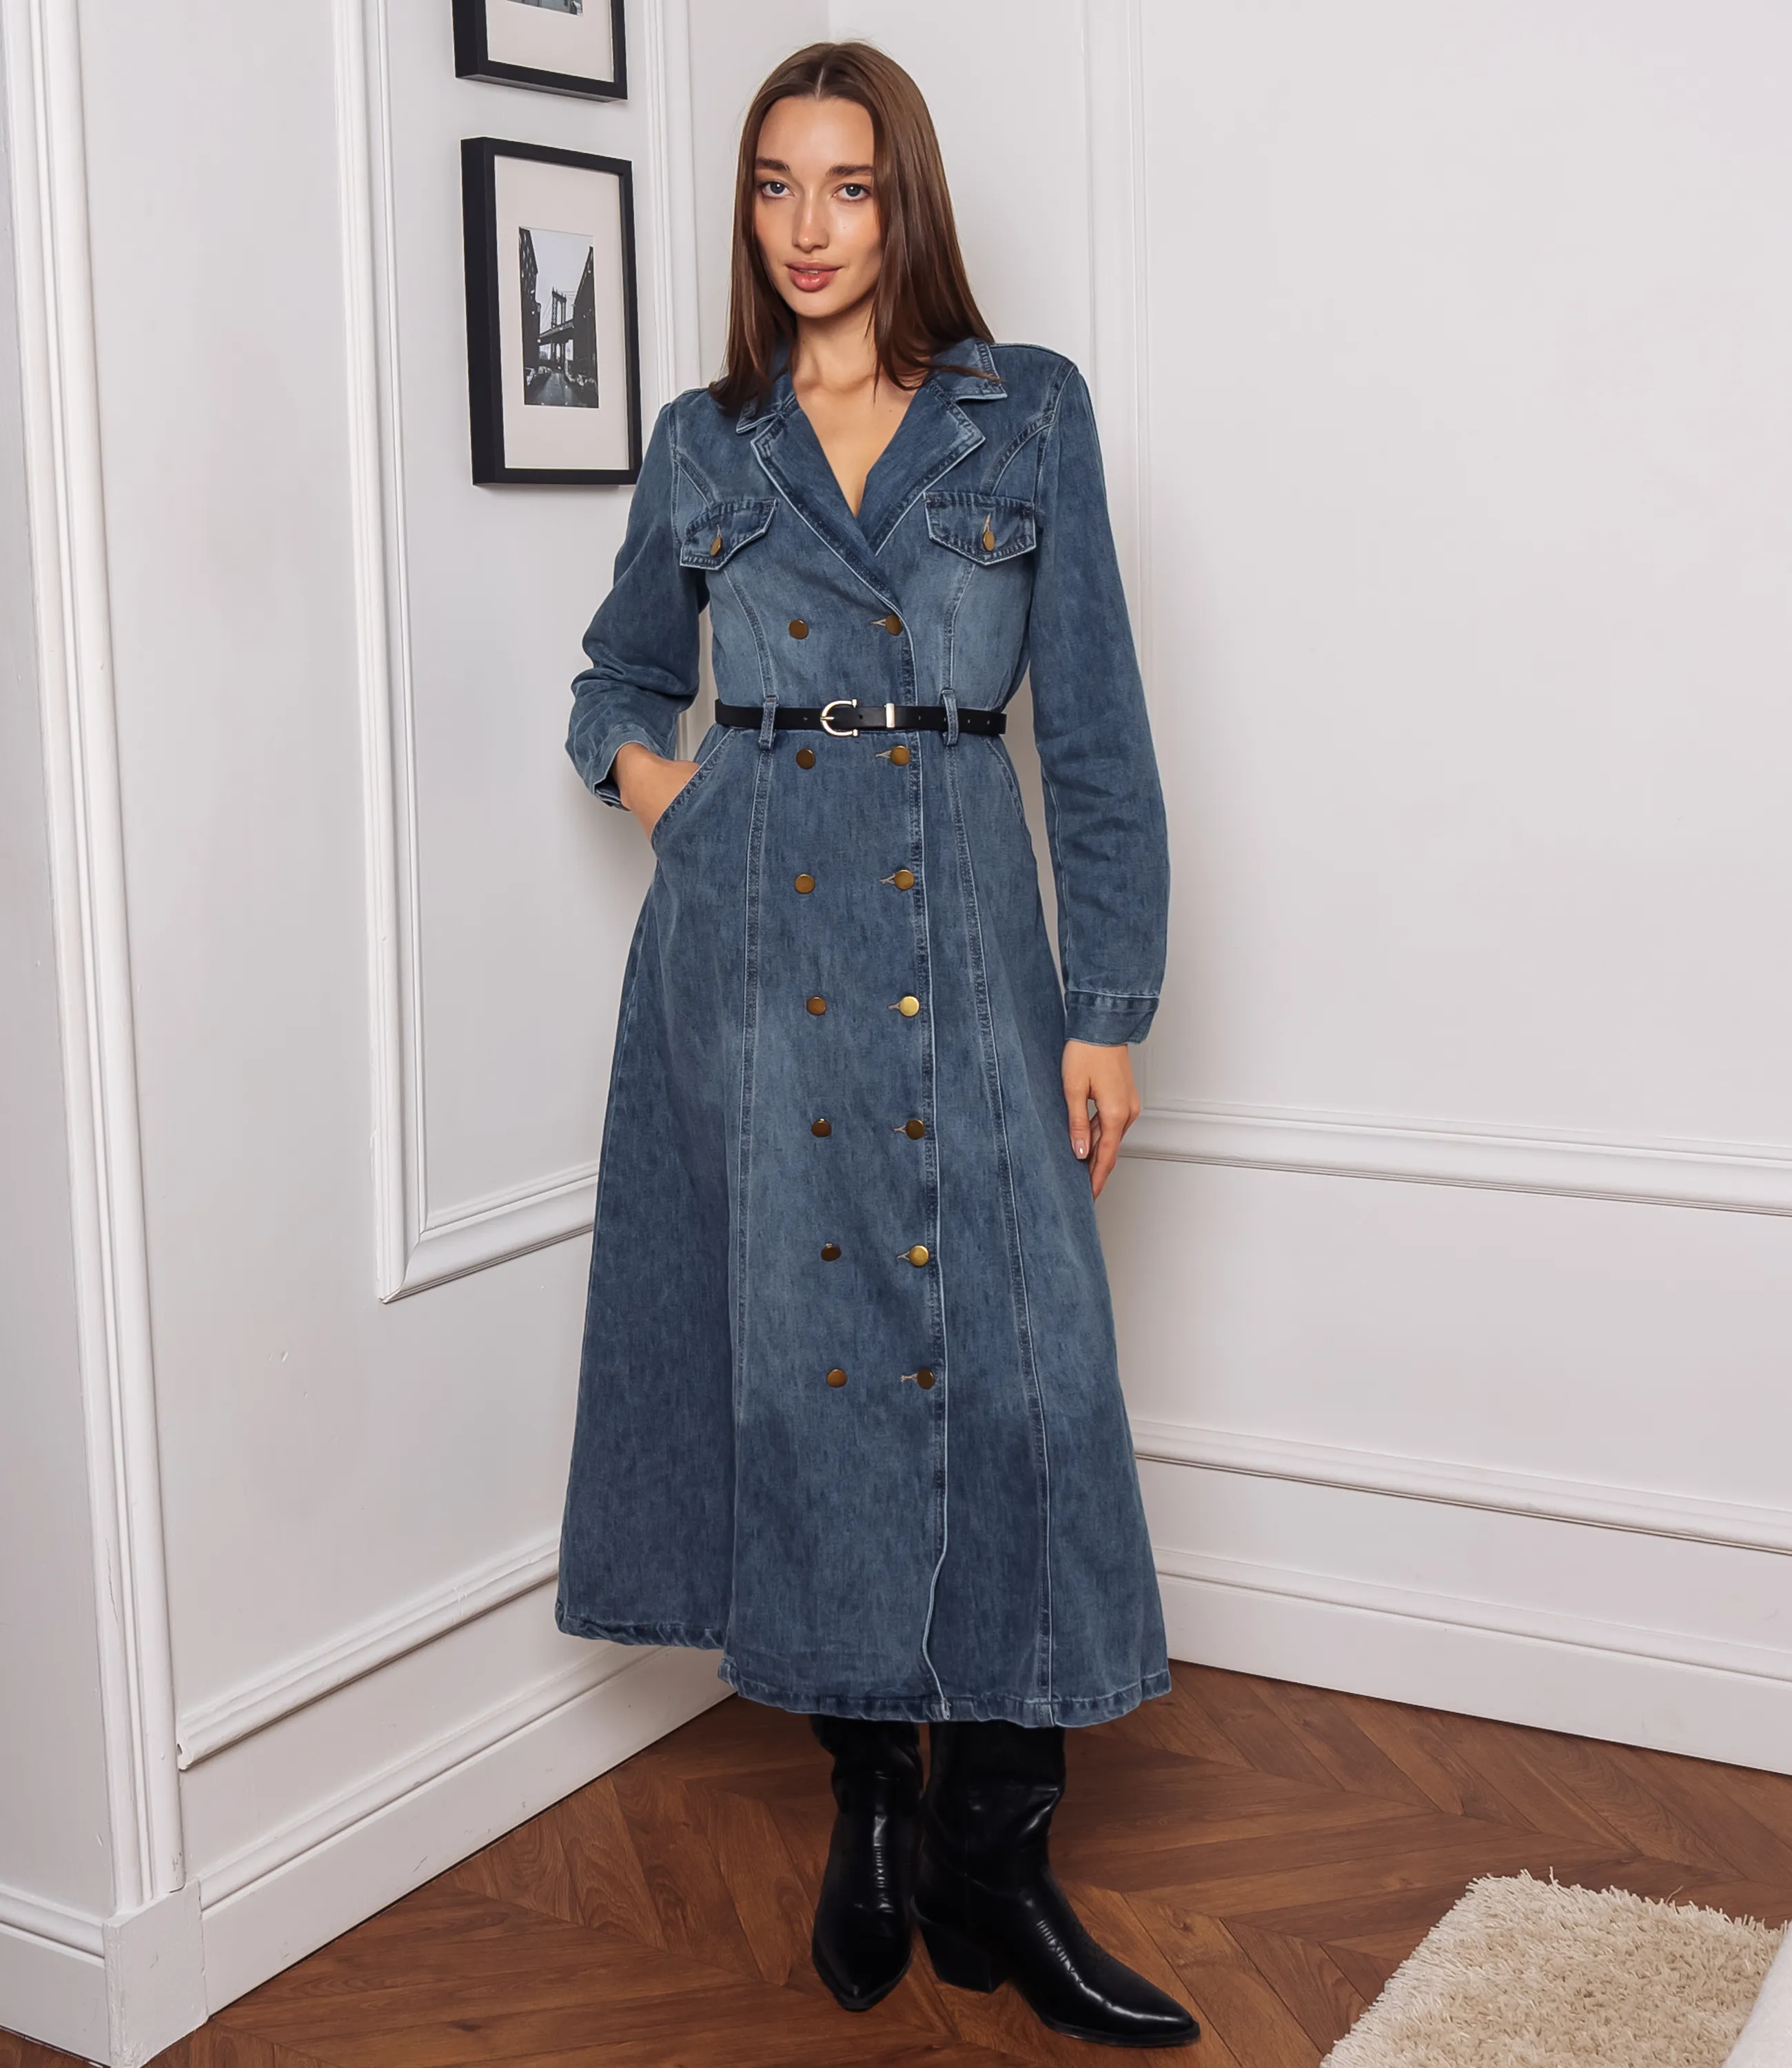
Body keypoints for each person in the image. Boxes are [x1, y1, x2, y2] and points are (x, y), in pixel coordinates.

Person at [554, 41, 1194, 2050]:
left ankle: (1003, 1851)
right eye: (774, 186)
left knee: (1021, 1385)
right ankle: (875, 1815)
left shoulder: (1025, 414)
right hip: (753, 965)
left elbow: (1098, 735)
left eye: (847, 185)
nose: (809, 228)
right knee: (810, 1376)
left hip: (973, 953)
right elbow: (615, 678)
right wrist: (671, 793)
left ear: (905, 199)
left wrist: (1109, 1009)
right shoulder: (707, 441)